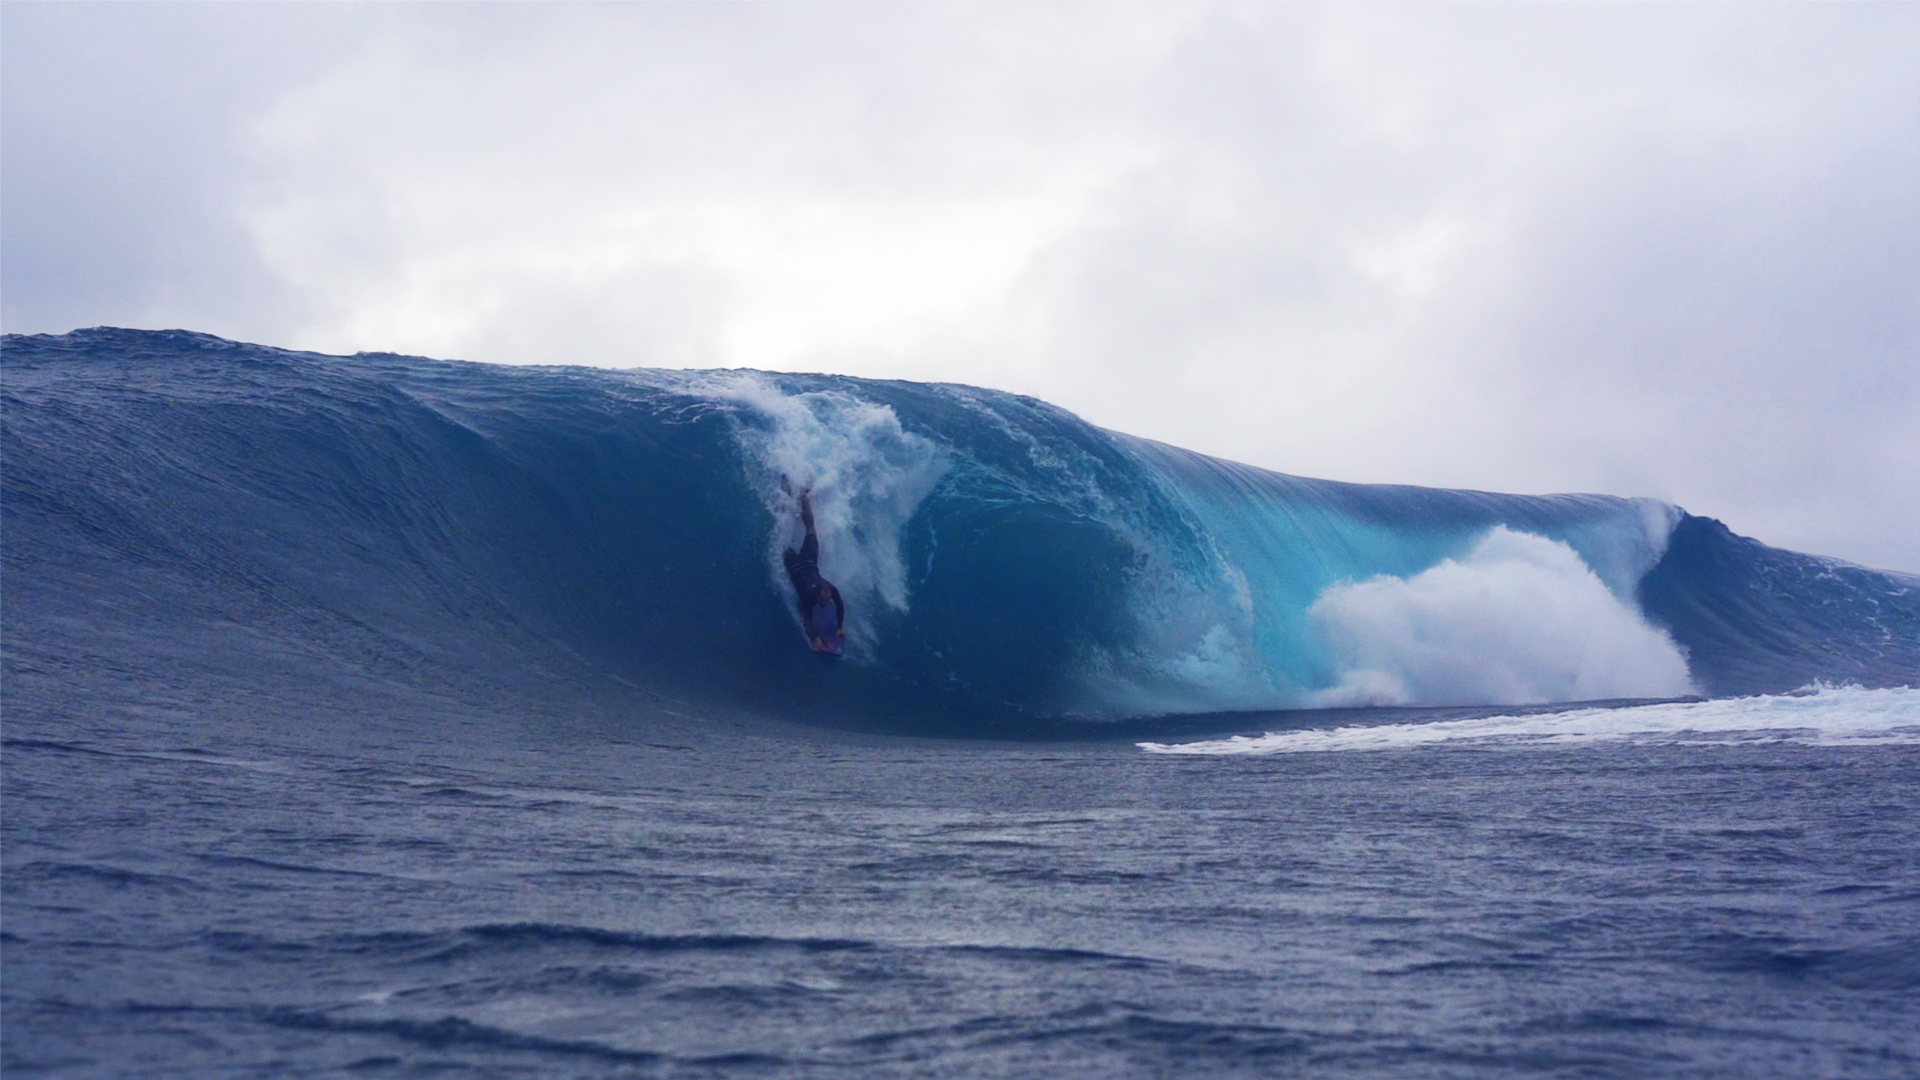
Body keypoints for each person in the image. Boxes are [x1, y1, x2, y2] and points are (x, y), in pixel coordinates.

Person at [782, 489, 845, 653]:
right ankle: (781, 504)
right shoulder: (809, 598)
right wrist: (814, 638)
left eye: (827, 600)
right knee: (782, 541)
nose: (825, 603)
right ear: (817, 595)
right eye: (823, 601)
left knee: (811, 528)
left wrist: (839, 627)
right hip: (795, 565)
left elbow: (839, 605)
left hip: (810, 561)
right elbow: (806, 618)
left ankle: (803, 496)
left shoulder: (831, 590)